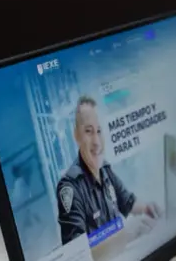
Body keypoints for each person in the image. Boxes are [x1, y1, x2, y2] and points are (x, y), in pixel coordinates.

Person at [56, 95, 160, 248]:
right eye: (89, 131)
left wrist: (147, 208)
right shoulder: (70, 187)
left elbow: (128, 202)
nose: (97, 142)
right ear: (77, 135)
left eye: (99, 131)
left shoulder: (105, 170)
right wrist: (126, 235)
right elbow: (77, 254)